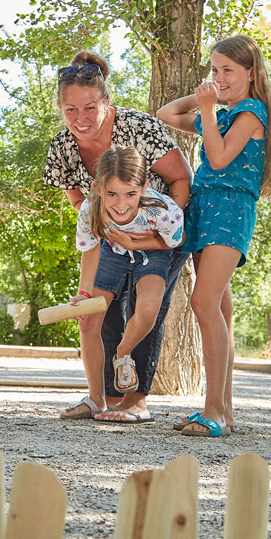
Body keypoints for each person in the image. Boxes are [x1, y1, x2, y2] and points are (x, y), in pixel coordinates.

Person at [43, 51, 192, 423]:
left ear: (106, 101)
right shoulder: (62, 146)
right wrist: (103, 227)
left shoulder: (138, 127)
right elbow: (78, 200)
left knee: (145, 310)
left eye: (90, 107)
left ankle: (136, 400)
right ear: (61, 109)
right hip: (106, 238)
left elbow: (181, 179)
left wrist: (148, 233)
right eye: (70, 110)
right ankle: (100, 398)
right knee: (96, 313)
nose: (80, 118)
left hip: (160, 231)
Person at [157, 35, 271, 437]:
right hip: (204, 208)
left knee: (204, 301)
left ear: (251, 73)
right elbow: (166, 113)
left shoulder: (252, 111)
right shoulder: (221, 113)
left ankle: (212, 410)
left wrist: (211, 107)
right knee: (220, 309)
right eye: (213, 70)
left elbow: (217, 157)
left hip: (230, 209)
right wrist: (205, 98)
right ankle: (225, 411)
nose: (219, 76)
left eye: (228, 70)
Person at [71, 146, 184, 399]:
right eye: (112, 194)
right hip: (111, 250)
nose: (121, 204)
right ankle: (96, 400)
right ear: (98, 188)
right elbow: (90, 250)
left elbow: (175, 241)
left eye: (130, 194)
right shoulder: (91, 210)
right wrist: (84, 293)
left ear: (144, 188)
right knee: (89, 322)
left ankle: (123, 353)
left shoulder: (162, 209)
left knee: (147, 312)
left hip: (153, 250)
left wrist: (135, 243)